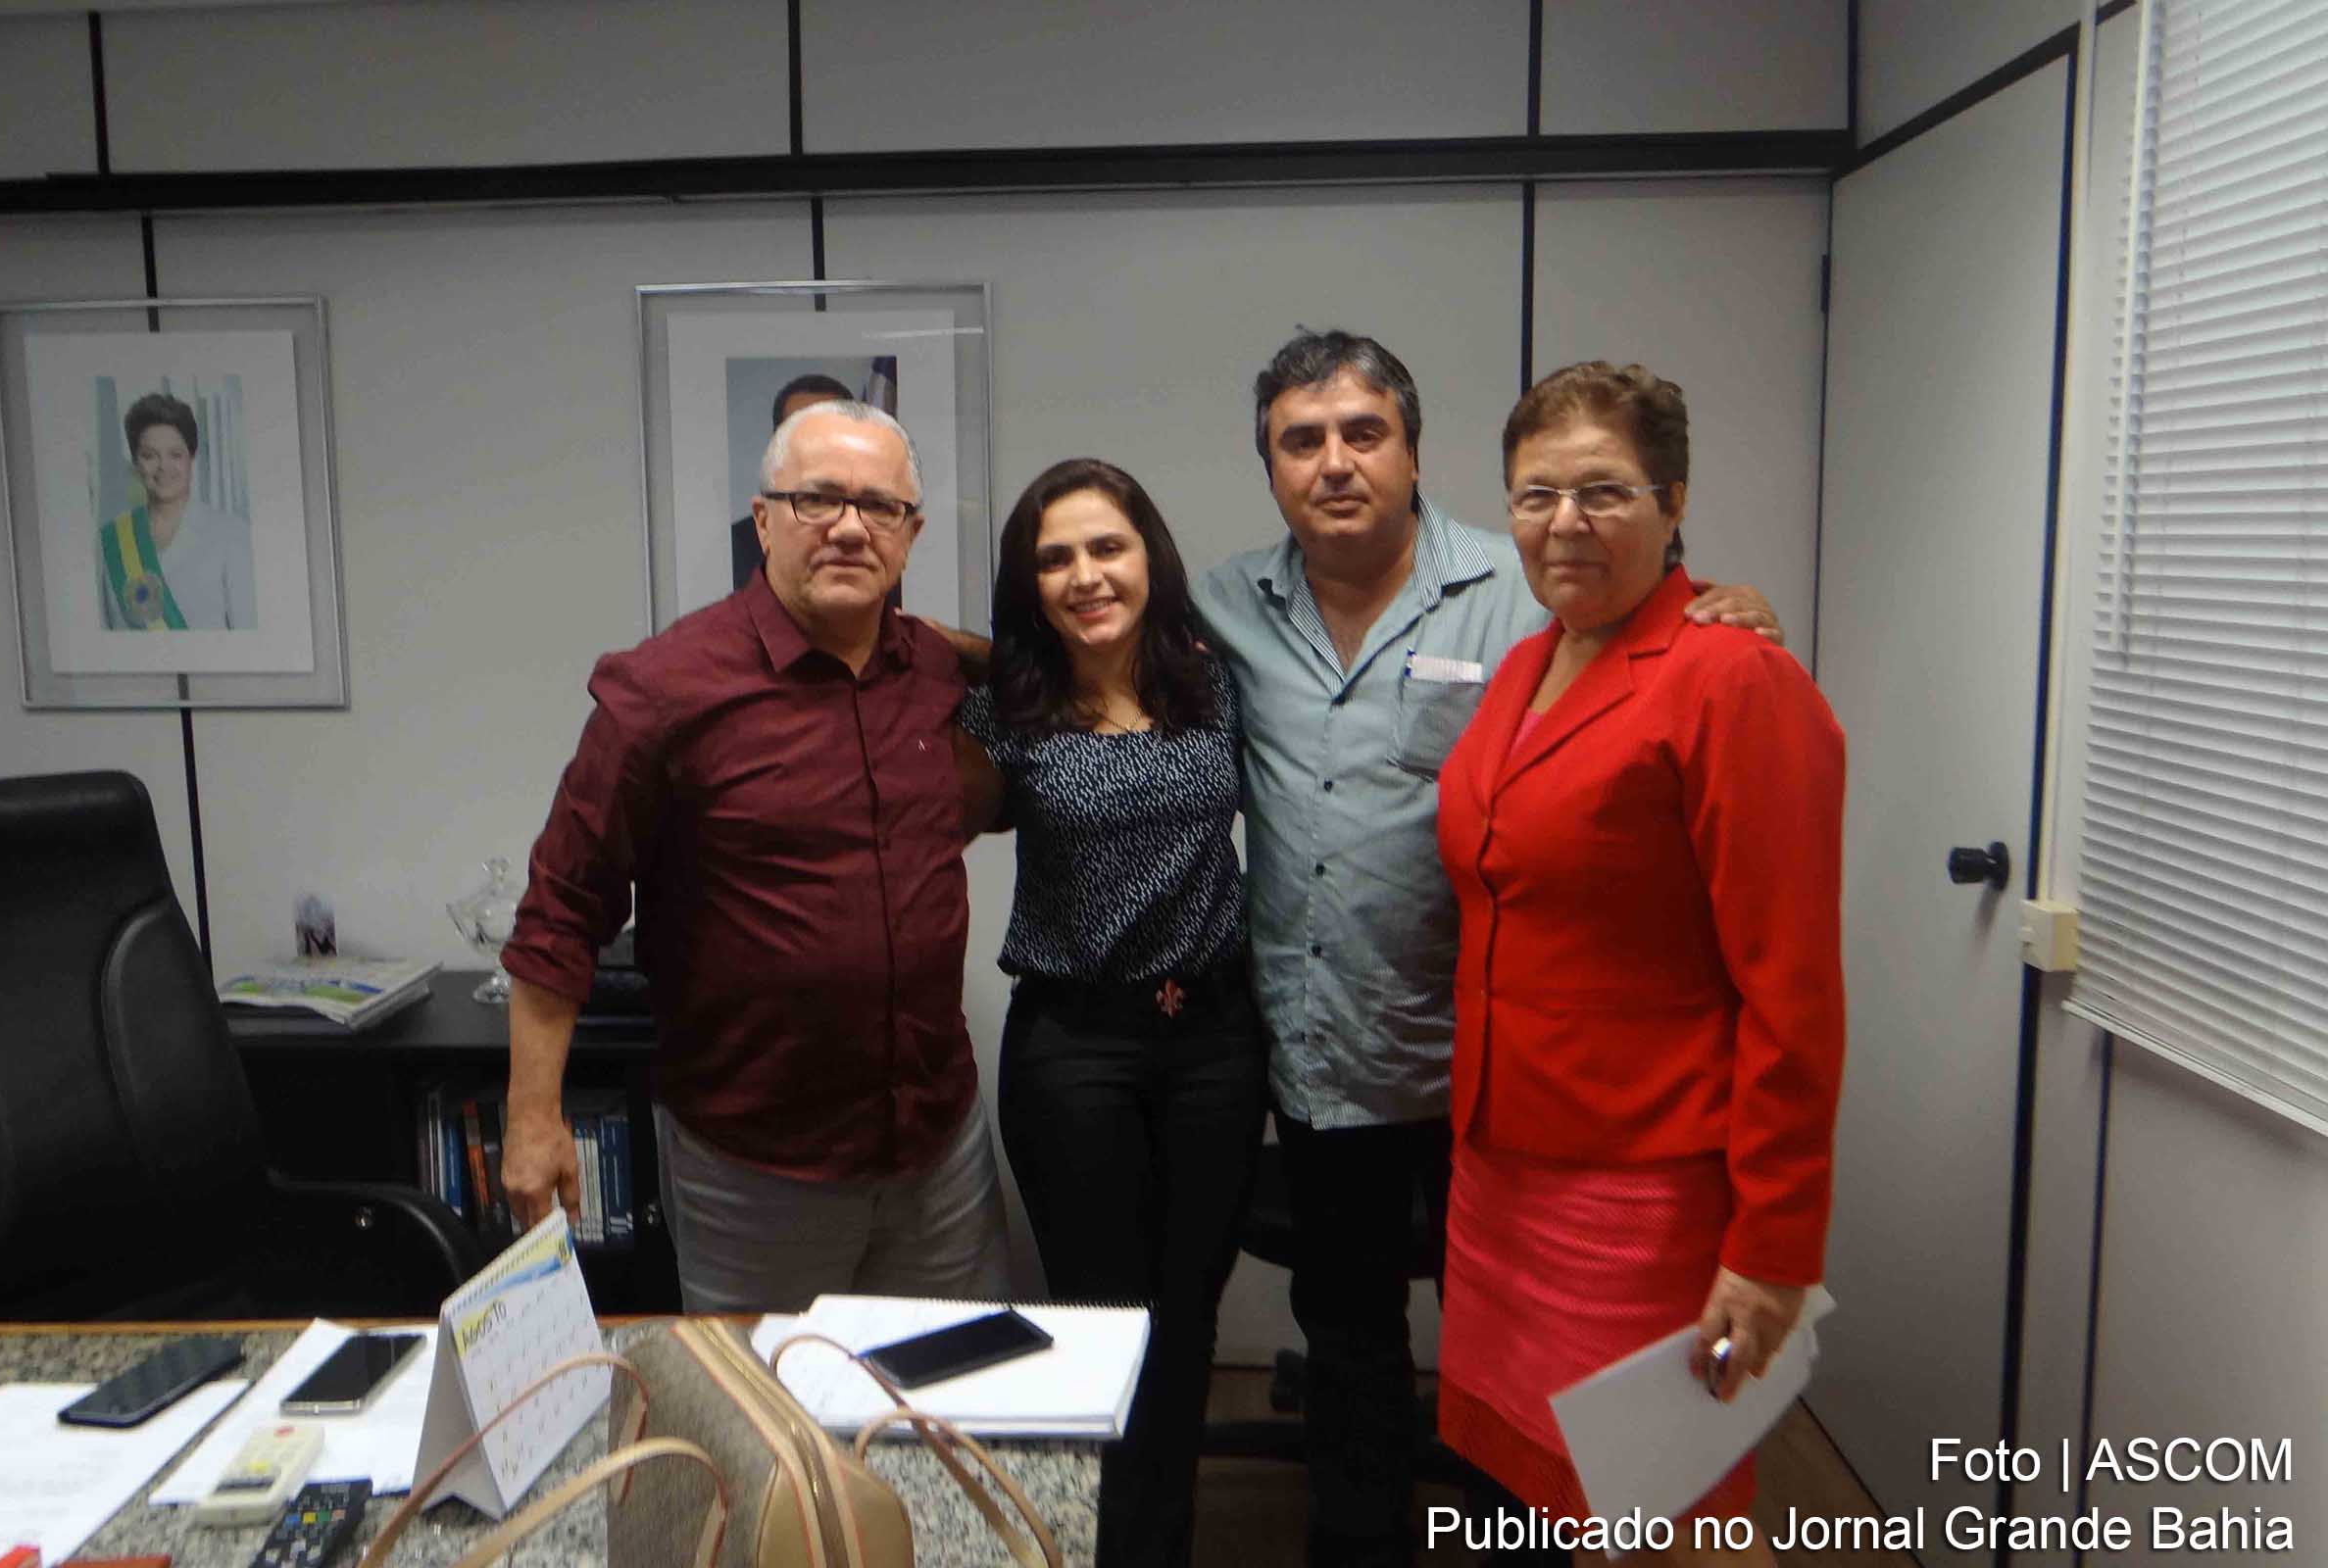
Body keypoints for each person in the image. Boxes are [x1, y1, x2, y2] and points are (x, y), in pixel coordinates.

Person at [1191, 330, 1782, 1568]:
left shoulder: (1520, 581)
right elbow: (1089, 661)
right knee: (1346, 1322)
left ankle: (1501, 1533)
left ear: (1413, 450)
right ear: (1268, 466)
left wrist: (1732, 605)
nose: (1336, 462)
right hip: (1326, 1047)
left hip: (1496, 1067)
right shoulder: (1222, 605)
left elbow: (1656, 653)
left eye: (1365, 433)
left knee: (1512, 1346)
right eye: (1302, 440)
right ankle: (1356, 1543)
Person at [1432, 362, 1844, 1564]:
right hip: (1503, 1170)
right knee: (1565, 1502)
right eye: (1534, 495)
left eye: (1604, 493)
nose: (1564, 524)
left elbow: (1794, 988)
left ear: (1673, 500)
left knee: (1667, 1512)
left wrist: (1771, 1247)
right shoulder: (1525, 668)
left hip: (1647, 1190)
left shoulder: (1733, 679)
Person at [499, 398, 1009, 1311]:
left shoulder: (930, 671)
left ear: (910, 533)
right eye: (818, 499)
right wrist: (534, 1118)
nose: (850, 527)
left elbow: (1032, 685)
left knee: (941, 1426)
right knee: (772, 1436)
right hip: (757, 1171)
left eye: (879, 507)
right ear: (764, 517)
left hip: (936, 1150)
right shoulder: (665, 691)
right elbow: (560, 909)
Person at [962, 458, 1264, 1568]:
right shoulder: (1007, 707)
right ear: (1028, 583)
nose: (1086, 574)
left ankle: (1160, 1549)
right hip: (1073, 1047)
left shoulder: (1219, 680)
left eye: (1107, 547)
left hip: (1216, 1043)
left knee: (1186, 1326)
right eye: (1055, 558)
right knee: (1098, 1329)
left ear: (1150, 558)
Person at [96, 391, 257, 631]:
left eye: (175, 455)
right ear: (135, 462)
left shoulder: (232, 535)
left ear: (191, 458)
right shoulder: (111, 540)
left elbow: (250, 643)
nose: (163, 467)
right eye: (149, 455)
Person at [731, 372, 856, 591]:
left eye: (831, 432)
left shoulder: (885, 532)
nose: (817, 447)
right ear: (775, 444)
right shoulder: (737, 544)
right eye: (800, 433)